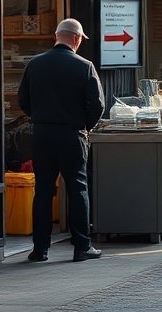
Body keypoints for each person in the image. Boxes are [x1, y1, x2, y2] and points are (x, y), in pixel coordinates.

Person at [17, 18, 105, 263]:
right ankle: (81, 247)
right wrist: (84, 126)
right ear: (77, 39)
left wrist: (39, 117)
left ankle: (40, 249)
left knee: (43, 190)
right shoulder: (84, 66)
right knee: (77, 189)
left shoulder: (34, 65)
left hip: (42, 134)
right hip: (71, 134)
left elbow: (22, 99)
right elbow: (98, 105)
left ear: (56, 37)